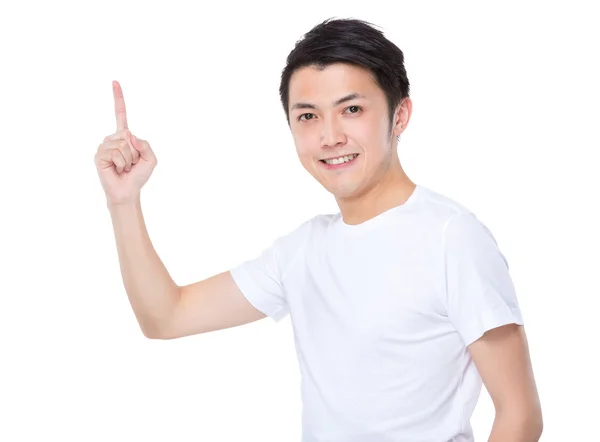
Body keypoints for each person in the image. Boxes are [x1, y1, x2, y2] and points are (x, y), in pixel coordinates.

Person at [94, 17, 543, 442]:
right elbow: (166, 317)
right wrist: (124, 200)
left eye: (351, 109)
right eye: (308, 116)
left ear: (400, 115)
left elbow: (520, 416)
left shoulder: (452, 238)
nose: (329, 137)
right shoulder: (302, 250)